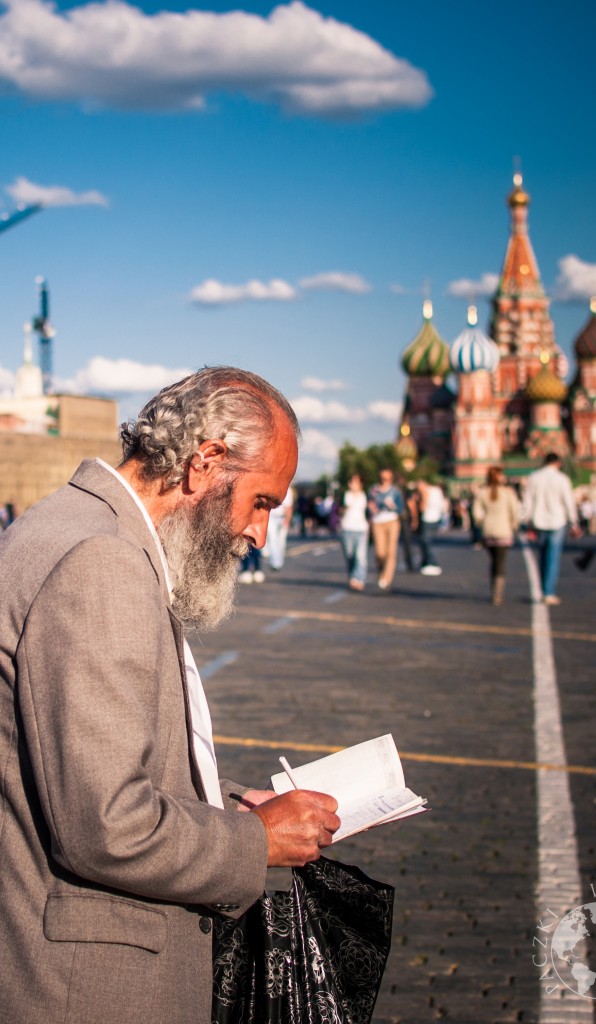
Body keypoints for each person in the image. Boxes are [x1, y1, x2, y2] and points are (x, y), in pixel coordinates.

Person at [0, 367, 340, 1024]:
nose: (260, 534)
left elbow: (72, 757)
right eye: (262, 503)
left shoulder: (67, 524)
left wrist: (227, 804)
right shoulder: (99, 560)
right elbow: (105, 827)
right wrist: (253, 841)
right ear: (204, 463)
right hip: (86, 991)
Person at [522, 451, 580, 605]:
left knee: (542, 556)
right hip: (557, 521)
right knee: (552, 557)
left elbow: (528, 500)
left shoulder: (534, 477)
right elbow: (569, 502)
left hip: (538, 521)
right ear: (558, 463)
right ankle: (549, 592)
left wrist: (526, 521)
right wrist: (574, 522)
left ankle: (543, 589)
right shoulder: (562, 479)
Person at [472, 466, 521, 605]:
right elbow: (515, 511)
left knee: (493, 561)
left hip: (488, 530)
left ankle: (494, 588)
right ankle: (497, 593)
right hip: (503, 530)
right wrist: (513, 525)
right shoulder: (508, 493)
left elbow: (477, 513)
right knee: (500, 562)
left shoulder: (482, 493)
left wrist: (482, 523)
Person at [368, 467, 404, 590]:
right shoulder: (374, 490)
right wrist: (371, 508)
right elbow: (369, 504)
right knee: (380, 552)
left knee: (391, 551)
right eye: (383, 478)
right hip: (378, 521)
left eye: (387, 479)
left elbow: (400, 508)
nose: (385, 481)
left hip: (392, 520)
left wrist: (392, 505)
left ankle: (387, 578)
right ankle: (381, 572)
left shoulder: (395, 491)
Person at [339, 472, 369, 591]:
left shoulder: (365, 495)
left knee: (360, 556)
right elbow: (338, 511)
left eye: (355, 482)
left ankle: (359, 579)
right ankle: (353, 577)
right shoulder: (345, 495)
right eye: (351, 482)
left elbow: (369, 512)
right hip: (347, 528)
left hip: (361, 528)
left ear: (360, 484)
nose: (352, 484)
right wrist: (344, 508)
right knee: (350, 555)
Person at [416, 477, 446, 576]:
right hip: (436, 517)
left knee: (426, 541)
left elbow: (423, 507)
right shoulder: (437, 490)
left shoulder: (426, 492)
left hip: (427, 518)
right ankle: (425, 562)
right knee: (429, 541)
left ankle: (432, 563)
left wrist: (419, 501)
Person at [265, 484, 294, 570]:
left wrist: (287, 520)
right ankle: (275, 563)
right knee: (273, 540)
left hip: (282, 518)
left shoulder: (287, 490)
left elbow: (289, 507)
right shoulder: (270, 487)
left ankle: (278, 561)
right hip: (271, 518)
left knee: (281, 542)